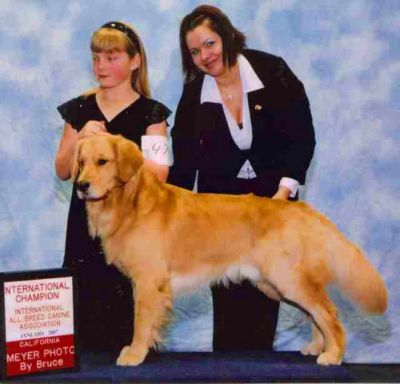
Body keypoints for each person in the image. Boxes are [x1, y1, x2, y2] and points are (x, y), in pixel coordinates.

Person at [168, 5, 316, 351]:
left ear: (228, 36)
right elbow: (184, 164)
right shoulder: (193, 95)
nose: (204, 56)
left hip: (272, 204)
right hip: (219, 219)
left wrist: (283, 195)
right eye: (194, 51)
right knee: (229, 308)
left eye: (209, 44)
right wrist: (159, 210)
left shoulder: (273, 70)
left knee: (272, 290)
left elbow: (301, 136)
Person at [55, 21, 172, 350]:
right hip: (84, 228)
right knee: (83, 336)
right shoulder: (79, 109)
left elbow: (160, 173)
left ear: (135, 61)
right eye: (96, 58)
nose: (101, 66)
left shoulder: (153, 114)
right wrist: (80, 138)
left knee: (128, 321)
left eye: (111, 57)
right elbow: (63, 169)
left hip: (134, 230)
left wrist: (113, 148)